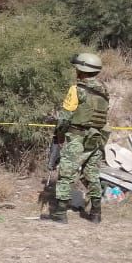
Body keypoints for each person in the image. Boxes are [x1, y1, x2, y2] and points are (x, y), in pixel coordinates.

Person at [44, 52, 109, 225]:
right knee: (92, 175)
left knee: (65, 175)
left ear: (81, 69)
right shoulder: (103, 90)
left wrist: (59, 135)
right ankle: (96, 213)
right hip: (96, 139)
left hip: (77, 138)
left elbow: (64, 117)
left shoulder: (76, 90)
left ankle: (59, 213)